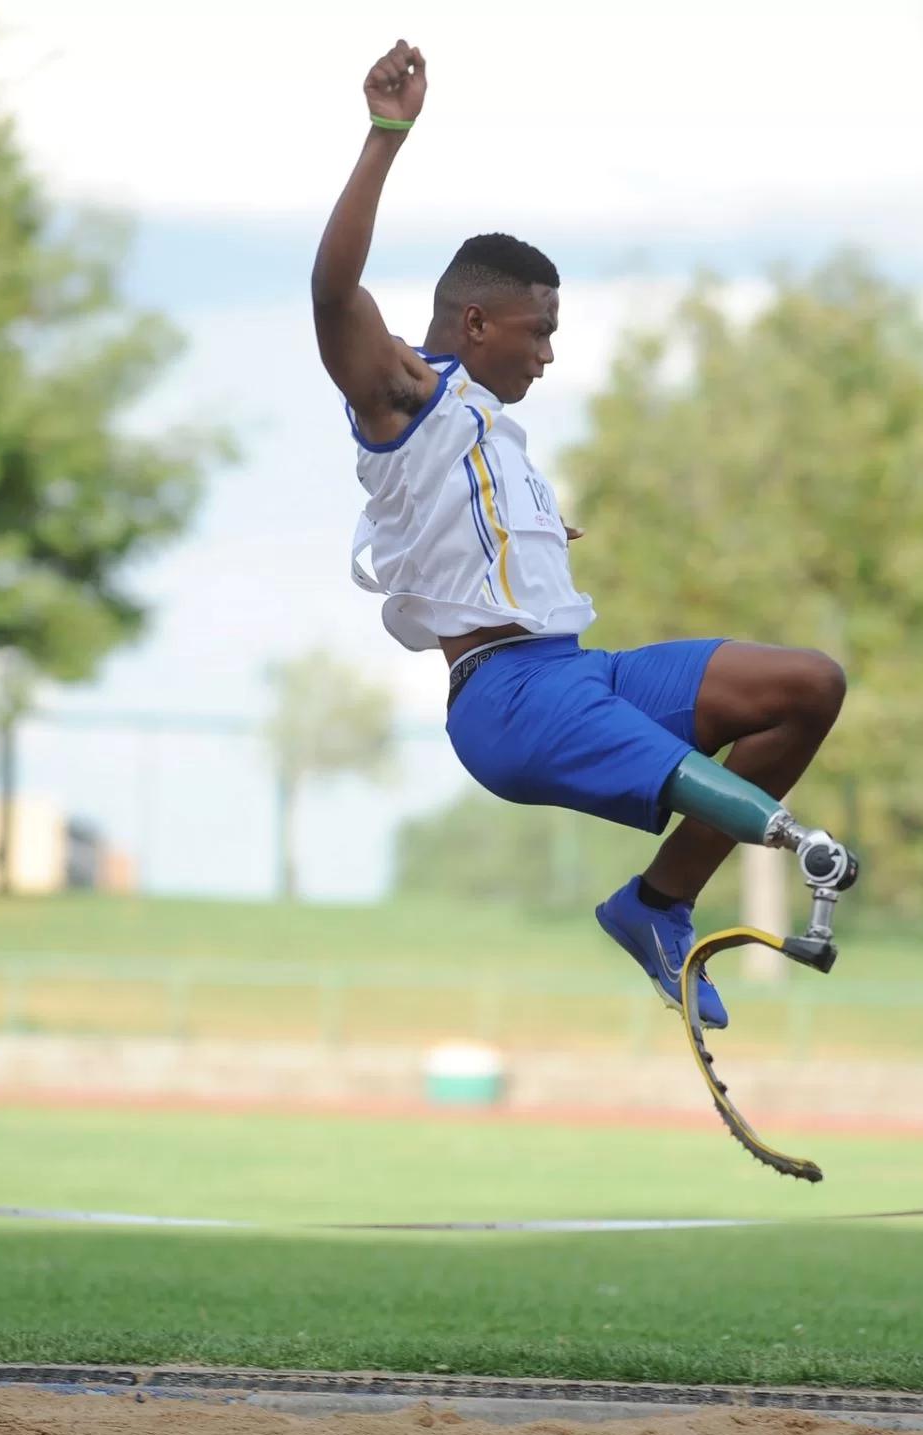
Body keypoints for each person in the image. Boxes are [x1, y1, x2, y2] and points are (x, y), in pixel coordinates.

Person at [313, 41, 851, 1027]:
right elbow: (335, 294)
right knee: (703, 783)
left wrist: (542, 535)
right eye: (539, 333)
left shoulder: (493, 429)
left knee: (807, 685)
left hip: (579, 669)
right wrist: (384, 138)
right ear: (476, 323)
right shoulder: (401, 393)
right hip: (508, 703)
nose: (551, 354)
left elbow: (468, 531)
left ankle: (655, 908)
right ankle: (779, 841)